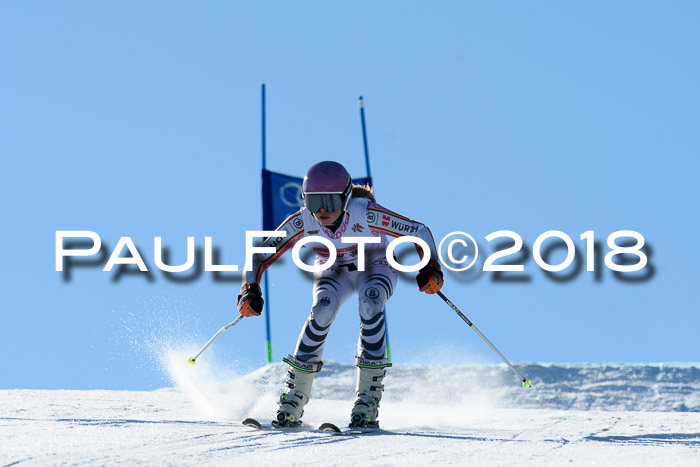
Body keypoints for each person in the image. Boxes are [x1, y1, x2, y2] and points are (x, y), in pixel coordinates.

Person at [237, 160, 444, 429]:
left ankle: (367, 401)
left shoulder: (366, 213)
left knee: (370, 303)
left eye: (330, 202)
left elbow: (419, 231)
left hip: (374, 263)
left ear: (346, 198)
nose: (322, 211)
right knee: (322, 310)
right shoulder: (302, 221)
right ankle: (294, 398)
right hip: (333, 268)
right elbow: (259, 255)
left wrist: (431, 267)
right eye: (314, 202)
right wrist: (249, 289)